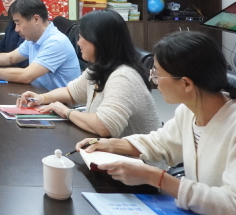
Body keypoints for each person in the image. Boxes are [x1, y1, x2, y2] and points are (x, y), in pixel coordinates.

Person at [76, 31, 236, 215]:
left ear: (186, 84)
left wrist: (157, 178)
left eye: (157, 74)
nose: (153, 80)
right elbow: (159, 143)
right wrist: (109, 144)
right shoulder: (189, 111)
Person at [17, 9, 161, 138]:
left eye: (82, 37)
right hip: (110, 151)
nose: (78, 42)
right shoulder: (99, 67)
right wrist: (42, 98)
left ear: (99, 40)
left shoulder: (123, 76)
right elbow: (71, 92)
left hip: (137, 158)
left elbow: (104, 127)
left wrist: (66, 112)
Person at [0, 0, 80, 90]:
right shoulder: (34, 37)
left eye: (18, 23)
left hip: (60, 105)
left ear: (36, 19)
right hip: (39, 94)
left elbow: (26, 76)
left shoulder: (56, 42)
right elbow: (10, 58)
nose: (16, 29)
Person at [0, 0, 29, 67]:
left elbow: (21, 62)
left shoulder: (29, 22)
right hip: (10, 66)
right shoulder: (12, 20)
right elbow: (1, 48)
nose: (5, 1)